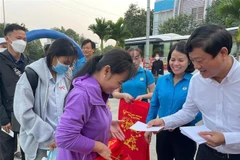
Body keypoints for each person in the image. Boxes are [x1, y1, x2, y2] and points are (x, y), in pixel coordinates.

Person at [146, 24, 240, 160]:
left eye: (200, 61)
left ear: (223, 53)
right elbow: (188, 112)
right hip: (207, 152)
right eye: (193, 61)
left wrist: (227, 138)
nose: (196, 66)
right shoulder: (198, 81)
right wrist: (165, 122)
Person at [55, 49, 136, 160]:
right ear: (106, 71)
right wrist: (100, 148)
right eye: (119, 83)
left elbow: (87, 123)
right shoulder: (82, 95)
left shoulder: (99, 92)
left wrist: (106, 124)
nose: (117, 88)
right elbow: (65, 138)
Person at [13, 38, 78, 160]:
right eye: (65, 62)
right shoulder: (32, 75)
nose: (67, 66)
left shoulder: (66, 75)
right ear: (53, 56)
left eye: (70, 63)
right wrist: (49, 136)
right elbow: (23, 113)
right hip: (40, 144)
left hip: (62, 142)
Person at [145, 41, 202, 160]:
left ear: (189, 61)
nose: (176, 64)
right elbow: (154, 105)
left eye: (181, 60)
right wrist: (148, 126)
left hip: (185, 132)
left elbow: (201, 110)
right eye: (172, 59)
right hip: (163, 131)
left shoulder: (195, 82)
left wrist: (178, 122)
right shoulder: (161, 81)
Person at [0, 24, 31, 160]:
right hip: (7, 117)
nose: (22, 42)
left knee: (28, 151)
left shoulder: (30, 64)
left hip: (27, 116)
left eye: (24, 39)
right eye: (19, 38)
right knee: (6, 153)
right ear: (7, 39)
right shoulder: (1, 61)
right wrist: (3, 119)